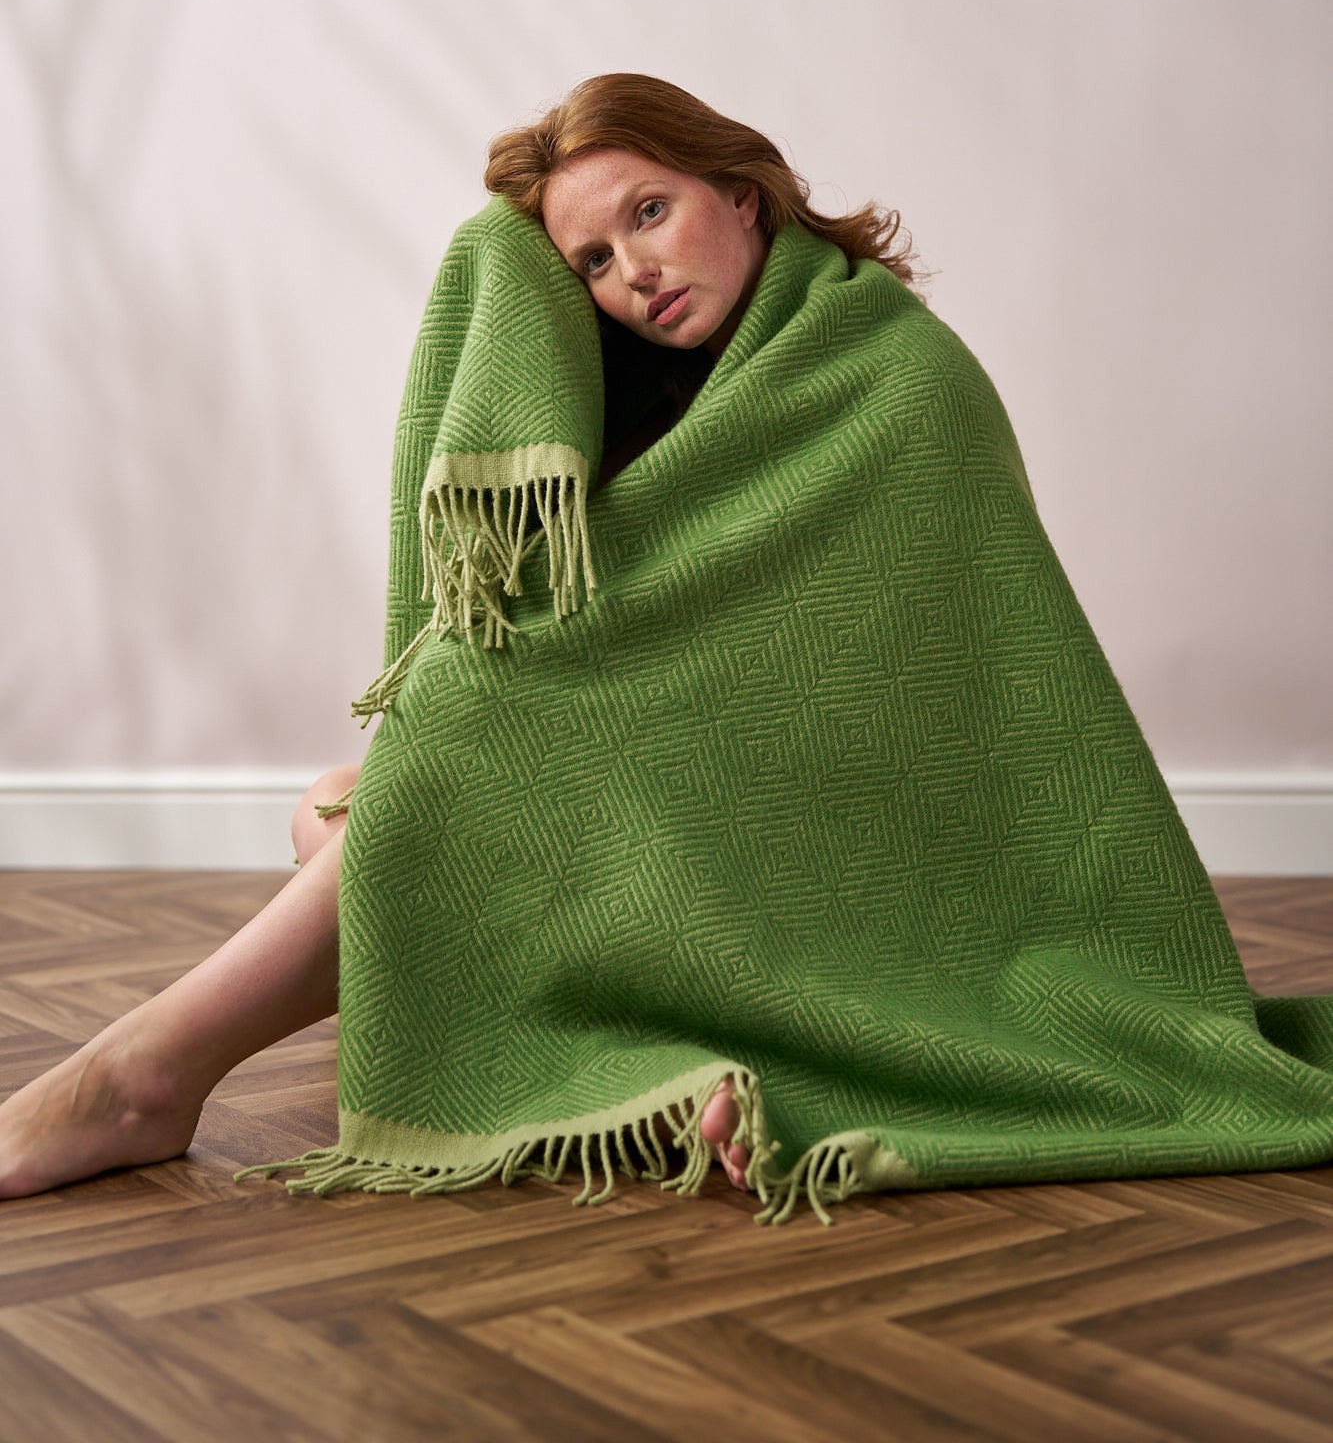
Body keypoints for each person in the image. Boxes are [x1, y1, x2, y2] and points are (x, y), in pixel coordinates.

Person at [0, 73, 924, 1202]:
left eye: (648, 212)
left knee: (417, 801)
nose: (630, 272)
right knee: (340, 802)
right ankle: (646, 1061)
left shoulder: (896, 375)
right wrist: (514, 231)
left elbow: (876, 686)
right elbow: (610, 636)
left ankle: (145, 1068)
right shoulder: (654, 389)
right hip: (658, 817)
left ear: (740, 193)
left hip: (827, 841)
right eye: (588, 261)